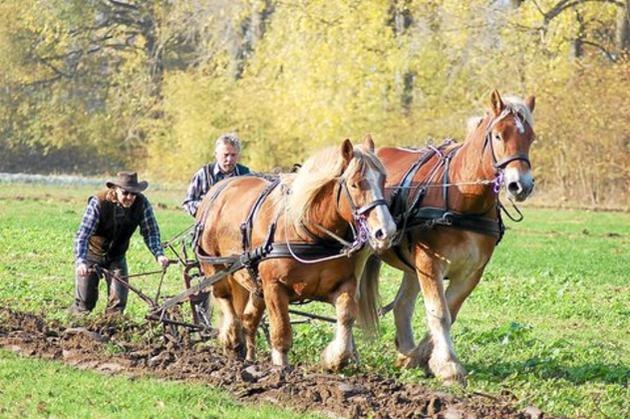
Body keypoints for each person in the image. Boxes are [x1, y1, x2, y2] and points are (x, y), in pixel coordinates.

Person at [69, 171, 169, 315]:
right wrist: (81, 261)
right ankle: (74, 328)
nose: (130, 197)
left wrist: (159, 254)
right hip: (92, 255)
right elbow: (83, 235)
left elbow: (151, 231)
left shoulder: (142, 204)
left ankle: (113, 331)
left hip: (117, 257)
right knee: (85, 302)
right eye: (125, 193)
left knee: (118, 303)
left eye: (133, 194)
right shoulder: (99, 203)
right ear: (115, 189)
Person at [182, 133, 251, 217]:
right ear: (216, 155)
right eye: (226, 155)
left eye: (233, 155)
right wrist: (206, 206)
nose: (229, 159)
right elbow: (188, 202)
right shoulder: (204, 174)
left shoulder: (246, 175)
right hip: (208, 226)